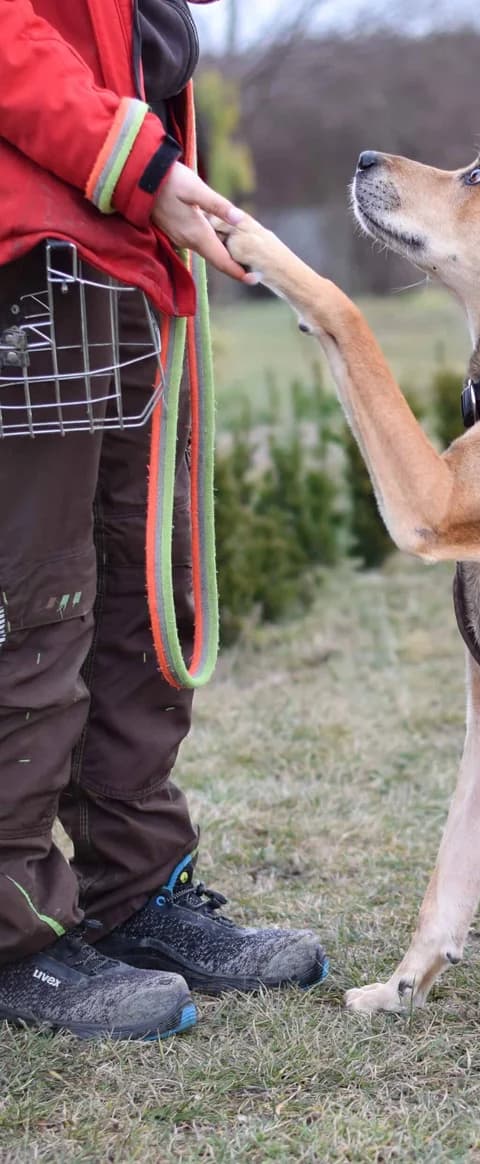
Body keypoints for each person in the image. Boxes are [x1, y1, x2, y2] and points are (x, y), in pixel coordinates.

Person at [0, 0, 327, 1041]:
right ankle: (13, 939)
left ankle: (136, 897)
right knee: (29, 610)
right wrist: (138, 164)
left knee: (141, 594)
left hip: (118, 247)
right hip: (27, 250)